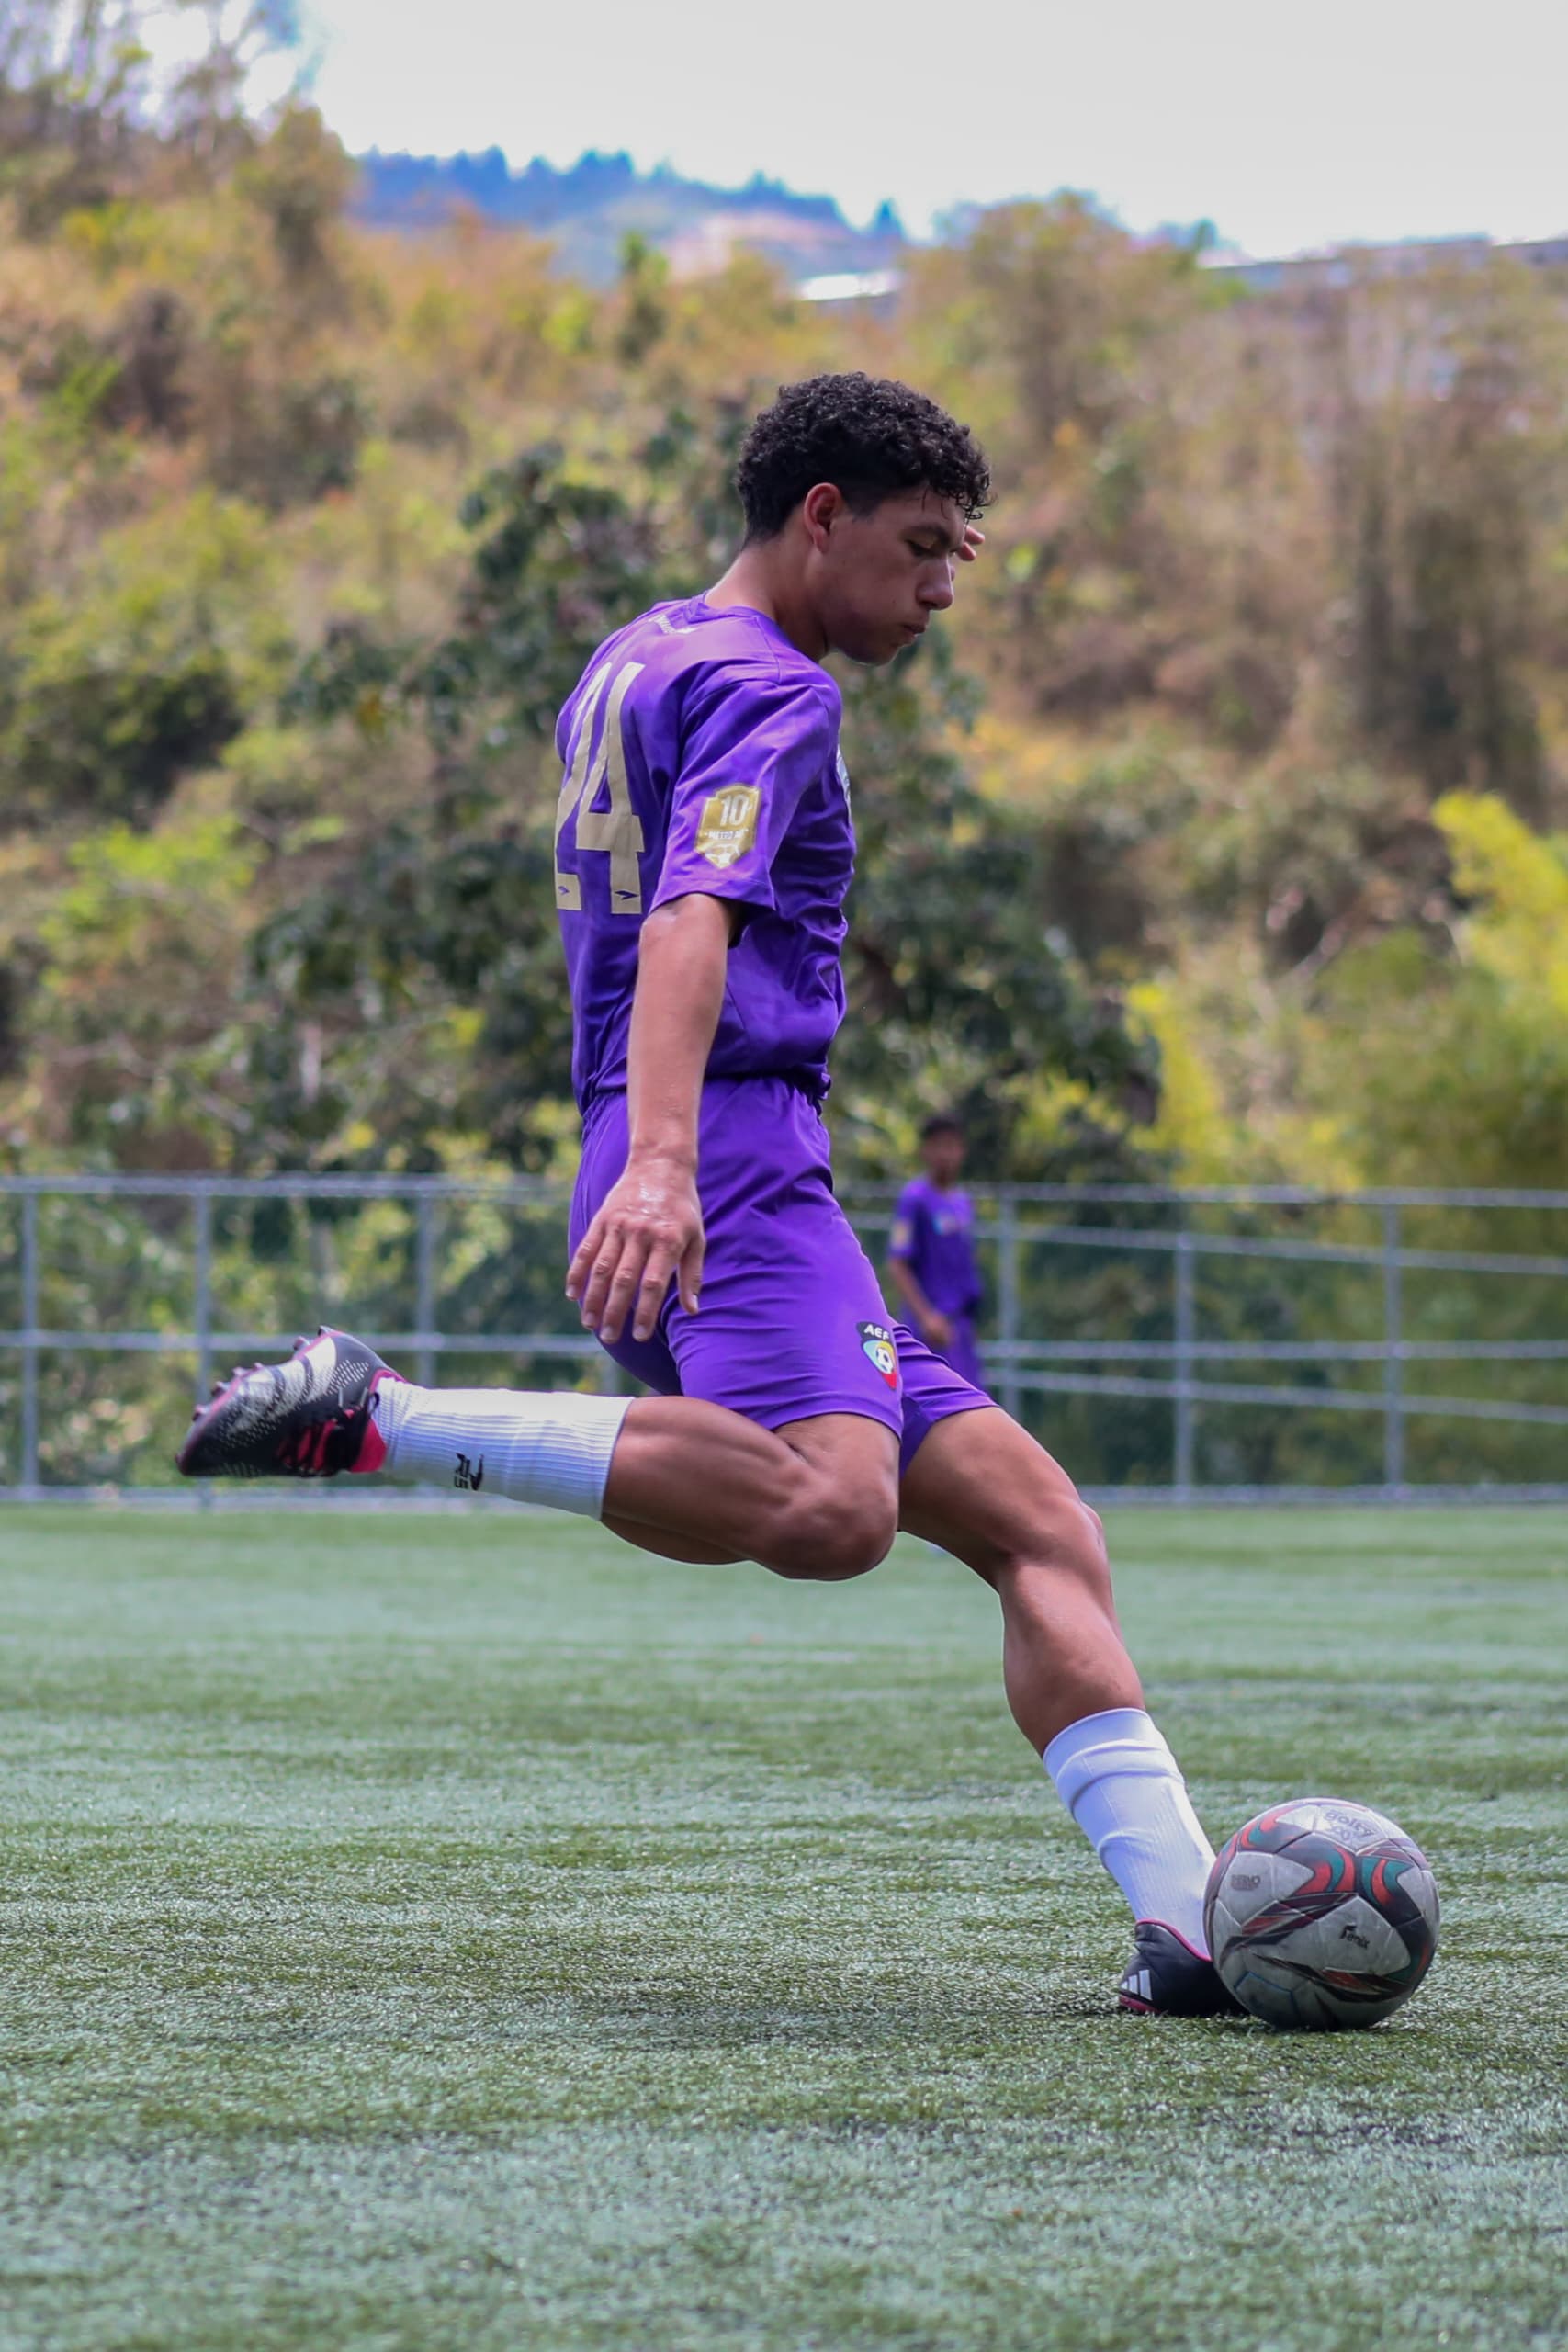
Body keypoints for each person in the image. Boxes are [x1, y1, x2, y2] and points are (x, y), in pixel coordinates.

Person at [177, 373, 1235, 2018]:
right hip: (722, 1146)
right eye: (922, 547)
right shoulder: (777, 689)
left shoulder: (636, 654)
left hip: (709, 1141)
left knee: (1041, 1528)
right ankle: (378, 1414)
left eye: (961, 555)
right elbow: (689, 921)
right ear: (820, 518)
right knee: (829, 1515)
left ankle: (1189, 1932)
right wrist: (668, 1164)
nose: (942, 590)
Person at [886, 1114, 986, 1392]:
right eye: (939, 1146)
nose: (946, 1154)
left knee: (974, 1405)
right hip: (929, 1331)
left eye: (952, 1146)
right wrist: (927, 1316)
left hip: (960, 1329)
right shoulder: (914, 1199)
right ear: (925, 1150)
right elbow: (898, 1263)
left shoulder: (963, 1202)